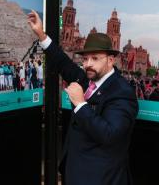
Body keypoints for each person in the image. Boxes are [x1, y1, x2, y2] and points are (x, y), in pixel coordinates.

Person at [28, 10, 138, 185]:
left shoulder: (122, 92)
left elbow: (109, 135)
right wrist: (41, 34)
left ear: (111, 60)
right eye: (85, 59)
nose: (88, 64)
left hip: (100, 178)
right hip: (76, 173)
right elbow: (63, 62)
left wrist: (80, 104)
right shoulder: (87, 80)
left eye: (95, 58)